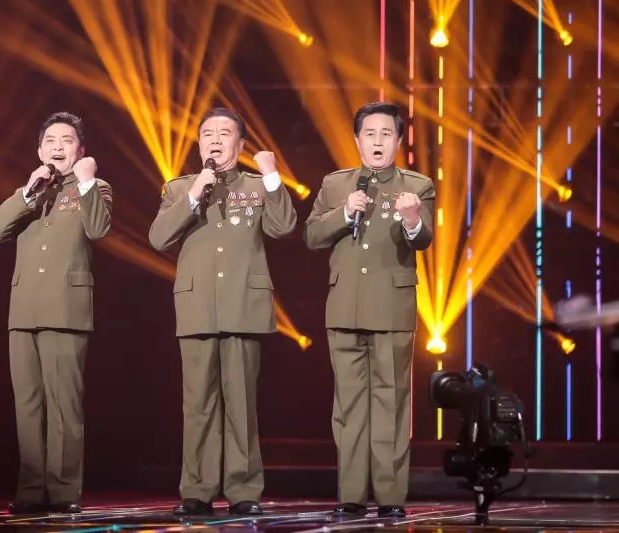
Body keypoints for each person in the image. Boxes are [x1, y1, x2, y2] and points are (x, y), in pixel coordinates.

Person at [149, 107, 297, 516]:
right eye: (208, 134)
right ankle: (197, 491)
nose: (215, 140)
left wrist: (272, 175)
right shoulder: (180, 188)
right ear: (199, 144)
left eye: (224, 133)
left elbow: (283, 226)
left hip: (243, 306)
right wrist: (195, 193)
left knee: (241, 405)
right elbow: (159, 237)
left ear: (240, 144)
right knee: (197, 404)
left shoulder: (256, 184)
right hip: (197, 306)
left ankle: (244, 491)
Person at [304, 102, 435, 519]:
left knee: (391, 402)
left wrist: (412, 220)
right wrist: (345, 212)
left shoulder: (417, 185)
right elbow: (312, 235)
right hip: (344, 307)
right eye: (370, 134)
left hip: (392, 309)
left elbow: (423, 237)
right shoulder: (336, 184)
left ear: (398, 140)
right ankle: (351, 495)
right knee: (348, 407)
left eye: (386, 134)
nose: (377, 141)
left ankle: (391, 497)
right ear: (357, 140)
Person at [0, 111, 113, 514]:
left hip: (66, 310)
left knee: (64, 405)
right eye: (50, 142)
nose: (58, 147)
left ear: (81, 150)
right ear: (39, 150)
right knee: (27, 404)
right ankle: (30, 490)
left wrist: (87, 181)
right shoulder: (30, 192)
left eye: (66, 141)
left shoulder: (95, 187)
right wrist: (28, 192)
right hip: (24, 312)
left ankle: (63, 491)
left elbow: (98, 229)